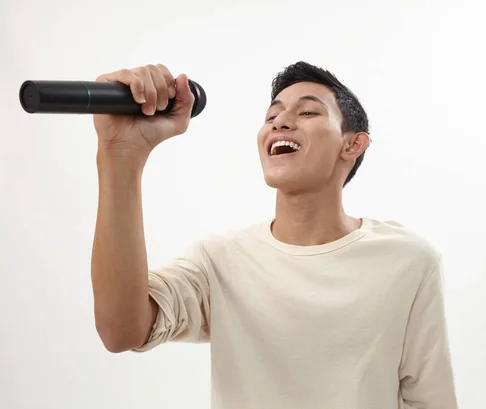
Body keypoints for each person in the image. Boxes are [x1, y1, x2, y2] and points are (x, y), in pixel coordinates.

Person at [91, 61, 458, 409]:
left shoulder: (408, 260)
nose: (281, 122)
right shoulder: (219, 260)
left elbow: (429, 399)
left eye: (308, 112)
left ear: (353, 144)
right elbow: (121, 331)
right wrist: (119, 154)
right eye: (272, 116)